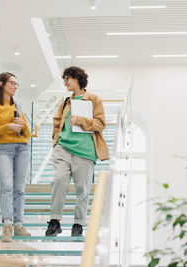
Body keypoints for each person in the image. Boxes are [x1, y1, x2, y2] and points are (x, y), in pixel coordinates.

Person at [45, 66, 110, 236]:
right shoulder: (66, 101)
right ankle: (54, 220)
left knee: (83, 189)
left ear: (77, 79)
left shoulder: (94, 99)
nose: (65, 82)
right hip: (63, 148)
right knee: (59, 180)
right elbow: (57, 121)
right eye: (64, 79)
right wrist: (56, 140)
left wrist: (81, 120)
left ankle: (78, 223)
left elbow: (101, 124)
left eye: (68, 78)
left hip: (85, 151)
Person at [0, 72, 31, 242]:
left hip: (22, 148)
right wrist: (8, 127)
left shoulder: (17, 105)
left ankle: (19, 225)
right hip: (3, 148)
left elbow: (27, 133)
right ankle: (7, 225)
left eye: (17, 84)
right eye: (12, 83)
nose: (15, 86)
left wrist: (22, 125)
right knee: (7, 187)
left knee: (19, 188)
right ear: (2, 84)